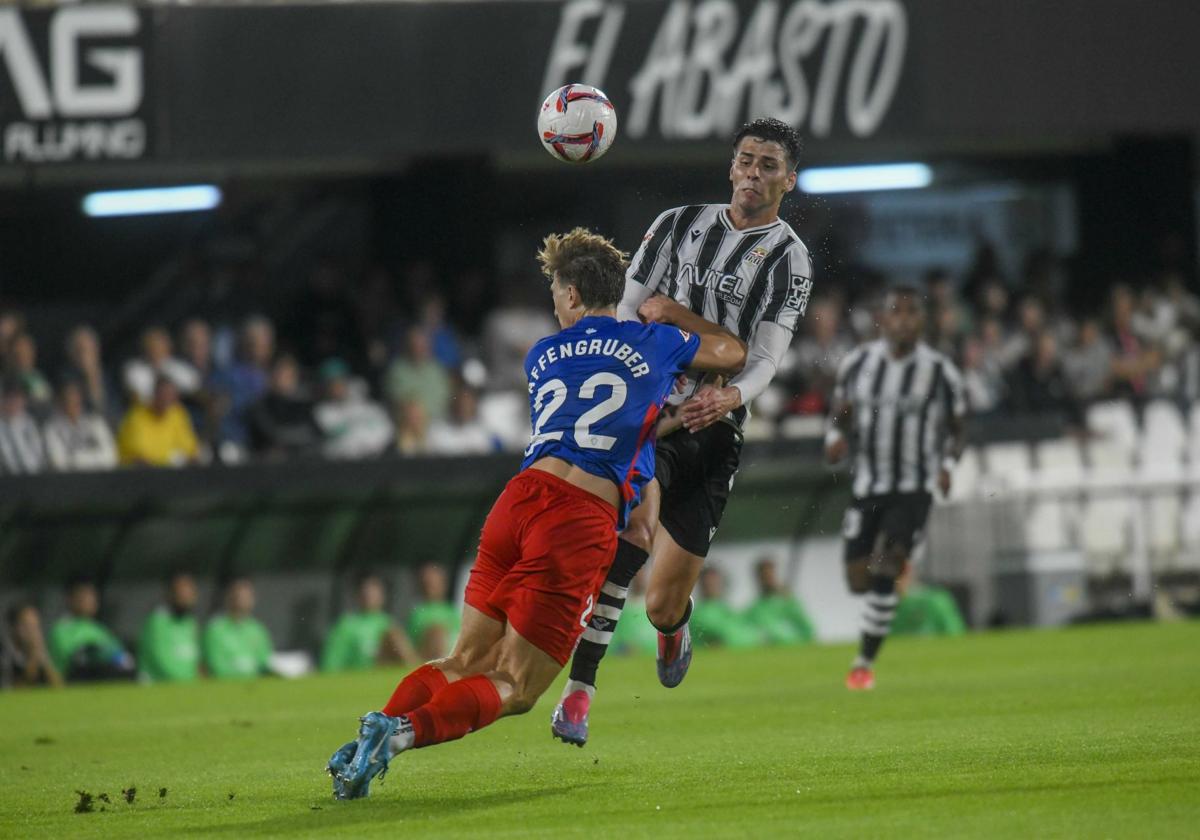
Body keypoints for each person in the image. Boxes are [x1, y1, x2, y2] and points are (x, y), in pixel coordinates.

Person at [326, 227, 745, 798]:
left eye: (554, 288)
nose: (553, 300)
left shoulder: (542, 354)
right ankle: (401, 733)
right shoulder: (653, 341)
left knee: (465, 657)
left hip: (517, 501)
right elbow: (732, 353)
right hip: (576, 519)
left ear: (573, 295)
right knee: (516, 685)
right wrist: (673, 316)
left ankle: (370, 734)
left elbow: (600, 416)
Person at [554, 118, 814, 746]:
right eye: (745, 161)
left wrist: (729, 394)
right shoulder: (675, 225)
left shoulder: (790, 257)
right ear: (731, 167)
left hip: (715, 429)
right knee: (630, 541)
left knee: (662, 605)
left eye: (768, 165)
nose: (753, 174)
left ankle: (675, 630)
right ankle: (579, 693)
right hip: (654, 412)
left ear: (789, 178)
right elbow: (626, 311)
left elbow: (765, 360)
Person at [825, 287, 967, 690]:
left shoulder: (939, 370)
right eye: (895, 312)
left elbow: (959, 428)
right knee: (858, 578)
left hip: (913, 486)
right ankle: (885, 597)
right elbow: (840, 414)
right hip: (869, 484)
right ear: (882, 319)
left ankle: (863, 663)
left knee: (888, 562)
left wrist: (948, 465)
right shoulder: (858, 363)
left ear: (921, 320)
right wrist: (833, 440)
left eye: (911, 312)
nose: (903, 319)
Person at [48, 578, 135, 681]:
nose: (91, 600)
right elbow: (74, 660)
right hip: (73, 685)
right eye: (85, 595)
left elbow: (121, 656)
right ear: (70, 599)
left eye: (92, 595)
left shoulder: (99, 629)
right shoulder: (60, 630)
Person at [320, 573, 403, 673]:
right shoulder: (347, 625)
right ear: (357, 595)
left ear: (383, 595)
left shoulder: (388, 623)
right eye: (366, 591)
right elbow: (331, 665)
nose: (369, 595)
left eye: (373, 591)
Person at [313, 359, 394, 459]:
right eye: (332, 384)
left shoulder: (369, 406)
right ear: (325, 387)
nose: (337, 387)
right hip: (341, 465)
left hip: (376, 459)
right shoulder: (322, 411)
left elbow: (387, 431)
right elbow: (338, 442)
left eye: (340, 382)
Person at [247, 354, 321, 459]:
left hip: (303, 460)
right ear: (270, 376)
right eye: (280, 374)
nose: (284, 379)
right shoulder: (260, 406)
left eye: (289, 375)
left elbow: (313, 433)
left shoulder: (305, 404)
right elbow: (273, 434)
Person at [116, 376, 200, 467]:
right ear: (154, 395)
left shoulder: (178, 414)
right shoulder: (137, 415)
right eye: (163, 394)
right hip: (137, 475)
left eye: (170, 395)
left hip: (172, 473)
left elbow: (190, 450)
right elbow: (139, 457)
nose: (166, 399)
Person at [203, 577, 274, 679]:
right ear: (229, 598)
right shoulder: (215, 629)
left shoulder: (258, 629)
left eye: (246, 596)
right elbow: (215, 665)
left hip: (254, 688)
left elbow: (265, 662)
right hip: (225, 687)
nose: (241, 600)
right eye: (238, 596)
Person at [137, 572, 201, 682]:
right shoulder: (157, 621)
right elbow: (160, 661)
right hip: (158, 687)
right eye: (181, 593)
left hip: (187, 688)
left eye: (189, 593)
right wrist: (186, 682)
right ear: (170, 594)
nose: (185, 597)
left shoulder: (190, 623)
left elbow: (195, 659)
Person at [42, 379, 118, 471]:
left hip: (99, 477)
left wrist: (76, 458)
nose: (73, 401)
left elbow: (110, 457)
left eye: (76, 397)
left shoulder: (95, 422)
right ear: (60, 401)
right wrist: (92, 457)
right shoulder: (51, 428)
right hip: (69, 481)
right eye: (68, 398)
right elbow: (58, 463)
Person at [742, 557, 815, 645]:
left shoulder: (788, 603)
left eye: (770, 575)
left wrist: (789, 599)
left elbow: (808, 630)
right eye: (764, 576)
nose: (768, 580)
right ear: (758, 579)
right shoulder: (753, 610)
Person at [123, 326, 200, 405]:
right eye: (152, 346)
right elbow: (139, 397)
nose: (156, 350)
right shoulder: (134, 369)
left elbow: (193, 387)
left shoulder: (177, 366)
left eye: (160, 345)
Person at [689, 567, 761, 649]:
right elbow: (724, 639)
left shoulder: (728, 610)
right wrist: (755, 638)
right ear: (701, 585)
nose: (712, 585)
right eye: (708, 583)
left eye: (715, 582)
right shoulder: (698, 614)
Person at [407, 563, 461, 660]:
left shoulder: (452, 610)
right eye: (428, 584)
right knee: (436, 632)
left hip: (451, 654)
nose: (431, 588)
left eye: (434, 583)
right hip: (426, 656)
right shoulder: (418, 612)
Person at [426, 383, 498, 456]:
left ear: (473, 406)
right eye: (461, 403)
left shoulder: (483, 433)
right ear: (453, 405)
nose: (464, 408)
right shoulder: (437, 430)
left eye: (468, 404)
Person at [3, 603, 63, 688]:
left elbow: (59, 686)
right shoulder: (5, 653)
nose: (32, 631)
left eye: (35, 625)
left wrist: (45, 660)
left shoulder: (41, 649)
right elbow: (11, 691)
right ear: (13, 627)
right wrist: (33, 659)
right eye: (26, 625)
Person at [0, 377, 46, 474]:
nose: (13, 402)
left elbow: (37, 459)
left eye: (17, 398)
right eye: (9, 398)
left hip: (31, 478)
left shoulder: (29, 423)